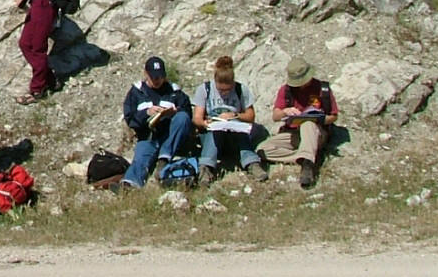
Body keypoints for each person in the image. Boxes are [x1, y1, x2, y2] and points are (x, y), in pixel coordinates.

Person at [260, 56, 339, 189]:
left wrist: (319, 119)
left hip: (315, 132)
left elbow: (333, 116)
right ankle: (303, 155)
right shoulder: (285, 90)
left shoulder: (322, 88)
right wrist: (286, 111)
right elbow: (275, 116)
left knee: (307, 124)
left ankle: (308, 165)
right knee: (262, 150)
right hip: (293, 133)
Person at [191, 55, 266, 185]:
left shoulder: (241, 90)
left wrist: (236, 115)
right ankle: (205, 168)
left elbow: (250, 116)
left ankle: (252, 163)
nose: (224, 93)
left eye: (228, 90)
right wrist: (204, 123)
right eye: (221, 90)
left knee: (241, 132)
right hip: (212, 133)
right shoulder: (205, 89)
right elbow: (197, 118)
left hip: (233, 132)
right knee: (214, 132)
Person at [120, 56, 193, 188]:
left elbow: (187, 112)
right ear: (146, 74)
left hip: (169, 135)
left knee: (182, 117)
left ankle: (164, 159)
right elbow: (130, 118)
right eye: (153, 77)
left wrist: (174, 111)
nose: (157, 80)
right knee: (140, 159)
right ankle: (129, 184)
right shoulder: (136, 92)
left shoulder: (174, 91)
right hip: (148, 136)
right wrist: (146, 113)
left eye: (160, 77)